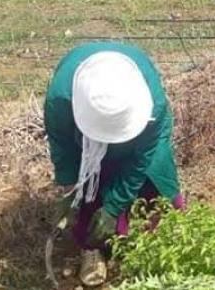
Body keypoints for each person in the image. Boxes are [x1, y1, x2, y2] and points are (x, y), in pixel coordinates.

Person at [44, 42, 184, 286]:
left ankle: (155, 239)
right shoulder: (61, 99)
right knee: (90, 182)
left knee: (155, 173)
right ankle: (92, 247)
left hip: (144, 134)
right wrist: (69, 191)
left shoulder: (153, 105)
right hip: (84, 138)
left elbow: (140, 161)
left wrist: (113, 207)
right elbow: (63, 148)